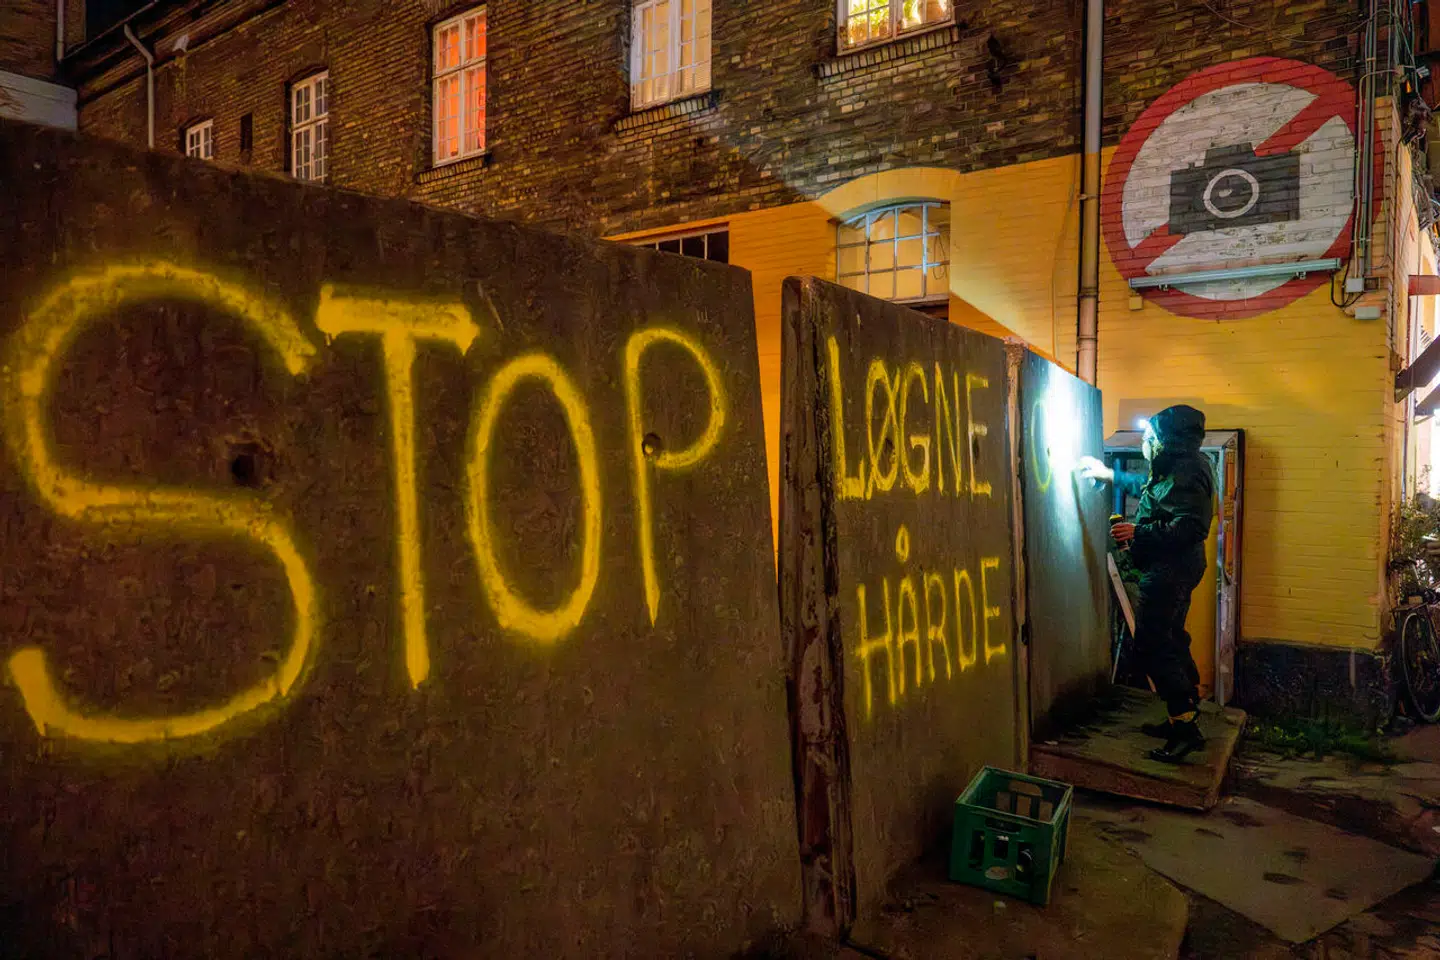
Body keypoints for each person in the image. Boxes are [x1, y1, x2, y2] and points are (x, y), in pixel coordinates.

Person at [1079, 405, 1215, 764]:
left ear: (1167, 439)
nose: (1146, 442)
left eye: (1151, 436)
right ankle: (1184, 713)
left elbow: (1191, 527)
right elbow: (1153, 491)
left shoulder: (1187, 469)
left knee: (1153, 644)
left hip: (1170, 571)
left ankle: (1184, 727)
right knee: (1171, 638)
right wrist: (1109, 474)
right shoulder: (1179, 465)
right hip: (1176, 568)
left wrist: (1138, 532)